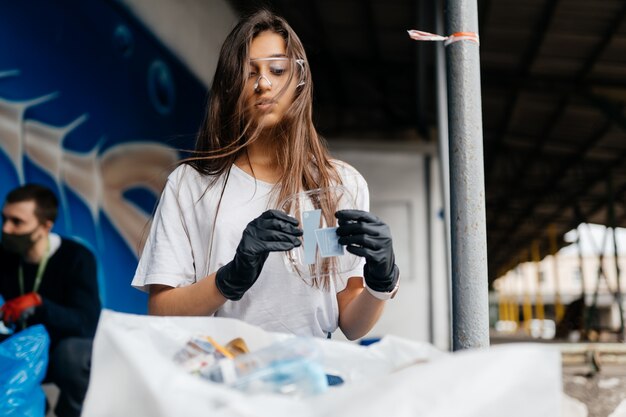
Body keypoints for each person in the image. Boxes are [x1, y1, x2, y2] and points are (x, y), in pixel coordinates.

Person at [132, 9, 399, 340]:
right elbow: (162, 311)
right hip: (220, 374)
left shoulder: (339, 184)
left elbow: (351, 323)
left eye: (277, 69)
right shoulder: (190, 184)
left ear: (299, 80)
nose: (263, 83)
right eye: (248, 73)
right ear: (231, 86)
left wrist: (381, 280)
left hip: (310, 377)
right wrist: (229, 278)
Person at [0, 184, 101, 417]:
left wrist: (40, 304)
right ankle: (33, 404)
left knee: (75, 355)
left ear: (45, 226)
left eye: (17, 222)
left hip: (57, 351)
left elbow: (87, 322)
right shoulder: (4, 254)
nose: (6, 228)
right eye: (4, 219)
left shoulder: (76, 257)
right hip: (19, 346)